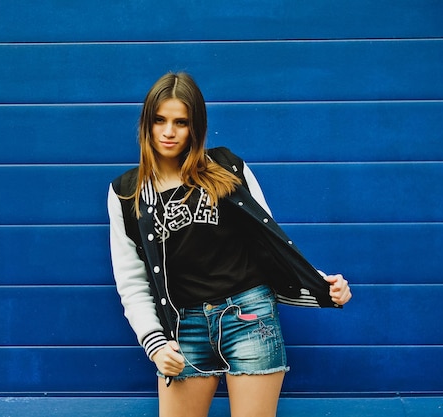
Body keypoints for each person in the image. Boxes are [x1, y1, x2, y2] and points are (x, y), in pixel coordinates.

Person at [107, 72, 352, 417]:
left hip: (249, 316)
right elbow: (132, 282)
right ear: (146, 123)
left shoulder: (226, 168)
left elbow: (271, 243)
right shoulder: (127, 193)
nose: (168, 132)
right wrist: (155, 343)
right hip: (184, 327)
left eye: (181, 122)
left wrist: (321, 285)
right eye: (159, 120)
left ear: (197, 127)